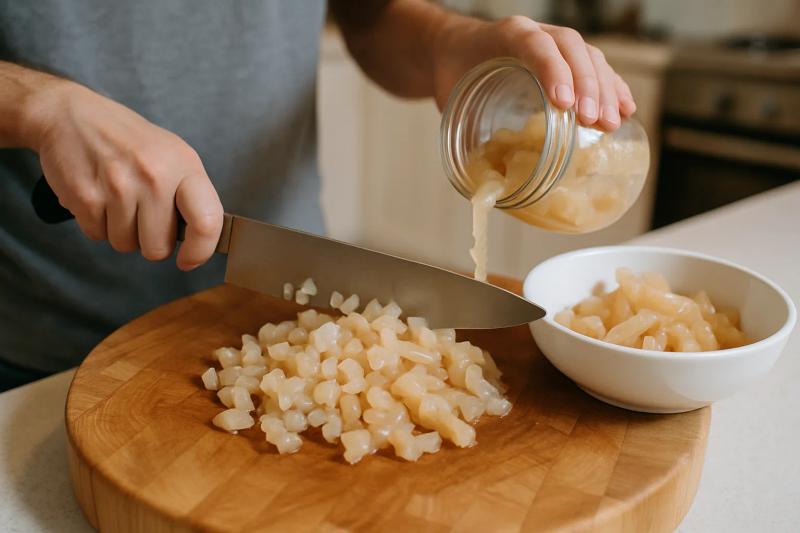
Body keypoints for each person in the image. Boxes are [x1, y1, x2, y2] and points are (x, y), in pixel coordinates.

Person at [0, 0, 635, 391]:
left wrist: (445, 41)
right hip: (48, 349)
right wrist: (42, 105)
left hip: (283, 313)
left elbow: (372, 13)